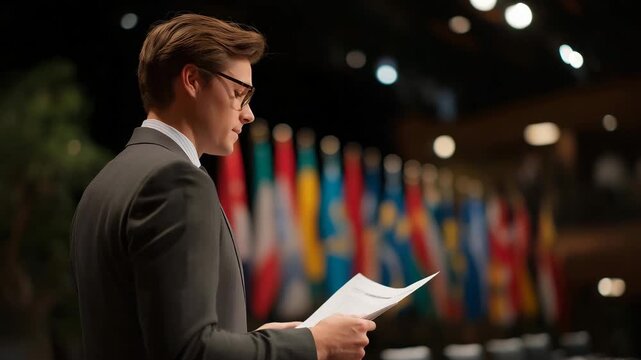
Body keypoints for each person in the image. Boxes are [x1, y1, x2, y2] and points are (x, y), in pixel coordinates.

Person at [70, 12, 375, 360]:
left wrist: (251, 339)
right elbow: (190, 351)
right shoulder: (176, 181)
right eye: (238, 93)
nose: (248, 114)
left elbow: (157, 338)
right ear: (192, 80)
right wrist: (315, 343)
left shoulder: (105, 181)